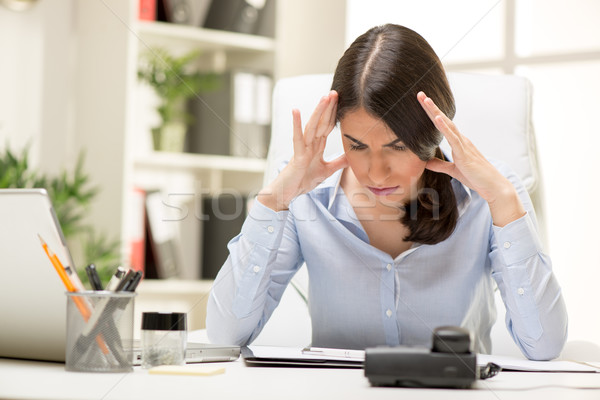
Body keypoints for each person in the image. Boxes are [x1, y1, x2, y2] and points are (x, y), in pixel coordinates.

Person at [206, 24, 567, 360]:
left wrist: (503, 202)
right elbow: (225, 338)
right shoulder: (307, 198)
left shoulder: (490, 193)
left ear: (429, 134)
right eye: (357, 145)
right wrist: (274, 199)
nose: (375, 173)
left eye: (396, 146)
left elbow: (543, 345)